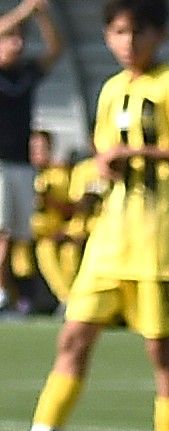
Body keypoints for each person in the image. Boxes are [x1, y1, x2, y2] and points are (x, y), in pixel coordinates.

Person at [2, 0, 169, 431]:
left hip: (158, 243)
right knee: (73, 338)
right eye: (118, 32)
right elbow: (108, 156)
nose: (127, 42)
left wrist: (140, 156)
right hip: (110, 240)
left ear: (161, 35)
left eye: (137, 32)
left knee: (161, 351)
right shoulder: (111, 90)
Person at [0, 0, 63, 315]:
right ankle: (3, 294)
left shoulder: (25, 73)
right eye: (10, 38)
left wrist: (42, 14)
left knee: (15, 236)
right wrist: (25, 8)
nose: (17, 44)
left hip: (21, 164)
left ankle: (9, 295)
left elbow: (56, 49)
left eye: (20, 39)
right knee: (1, 234)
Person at [26, 132, 86, 309]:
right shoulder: (24, 174)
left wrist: (48, 201)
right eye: (33, 148)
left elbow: (72, 209)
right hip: (28, 236)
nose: (37, 153)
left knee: (66, 252)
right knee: (41, 250)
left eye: (41, 148)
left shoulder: (60, 175)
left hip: (56, 232)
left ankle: (68, 301)